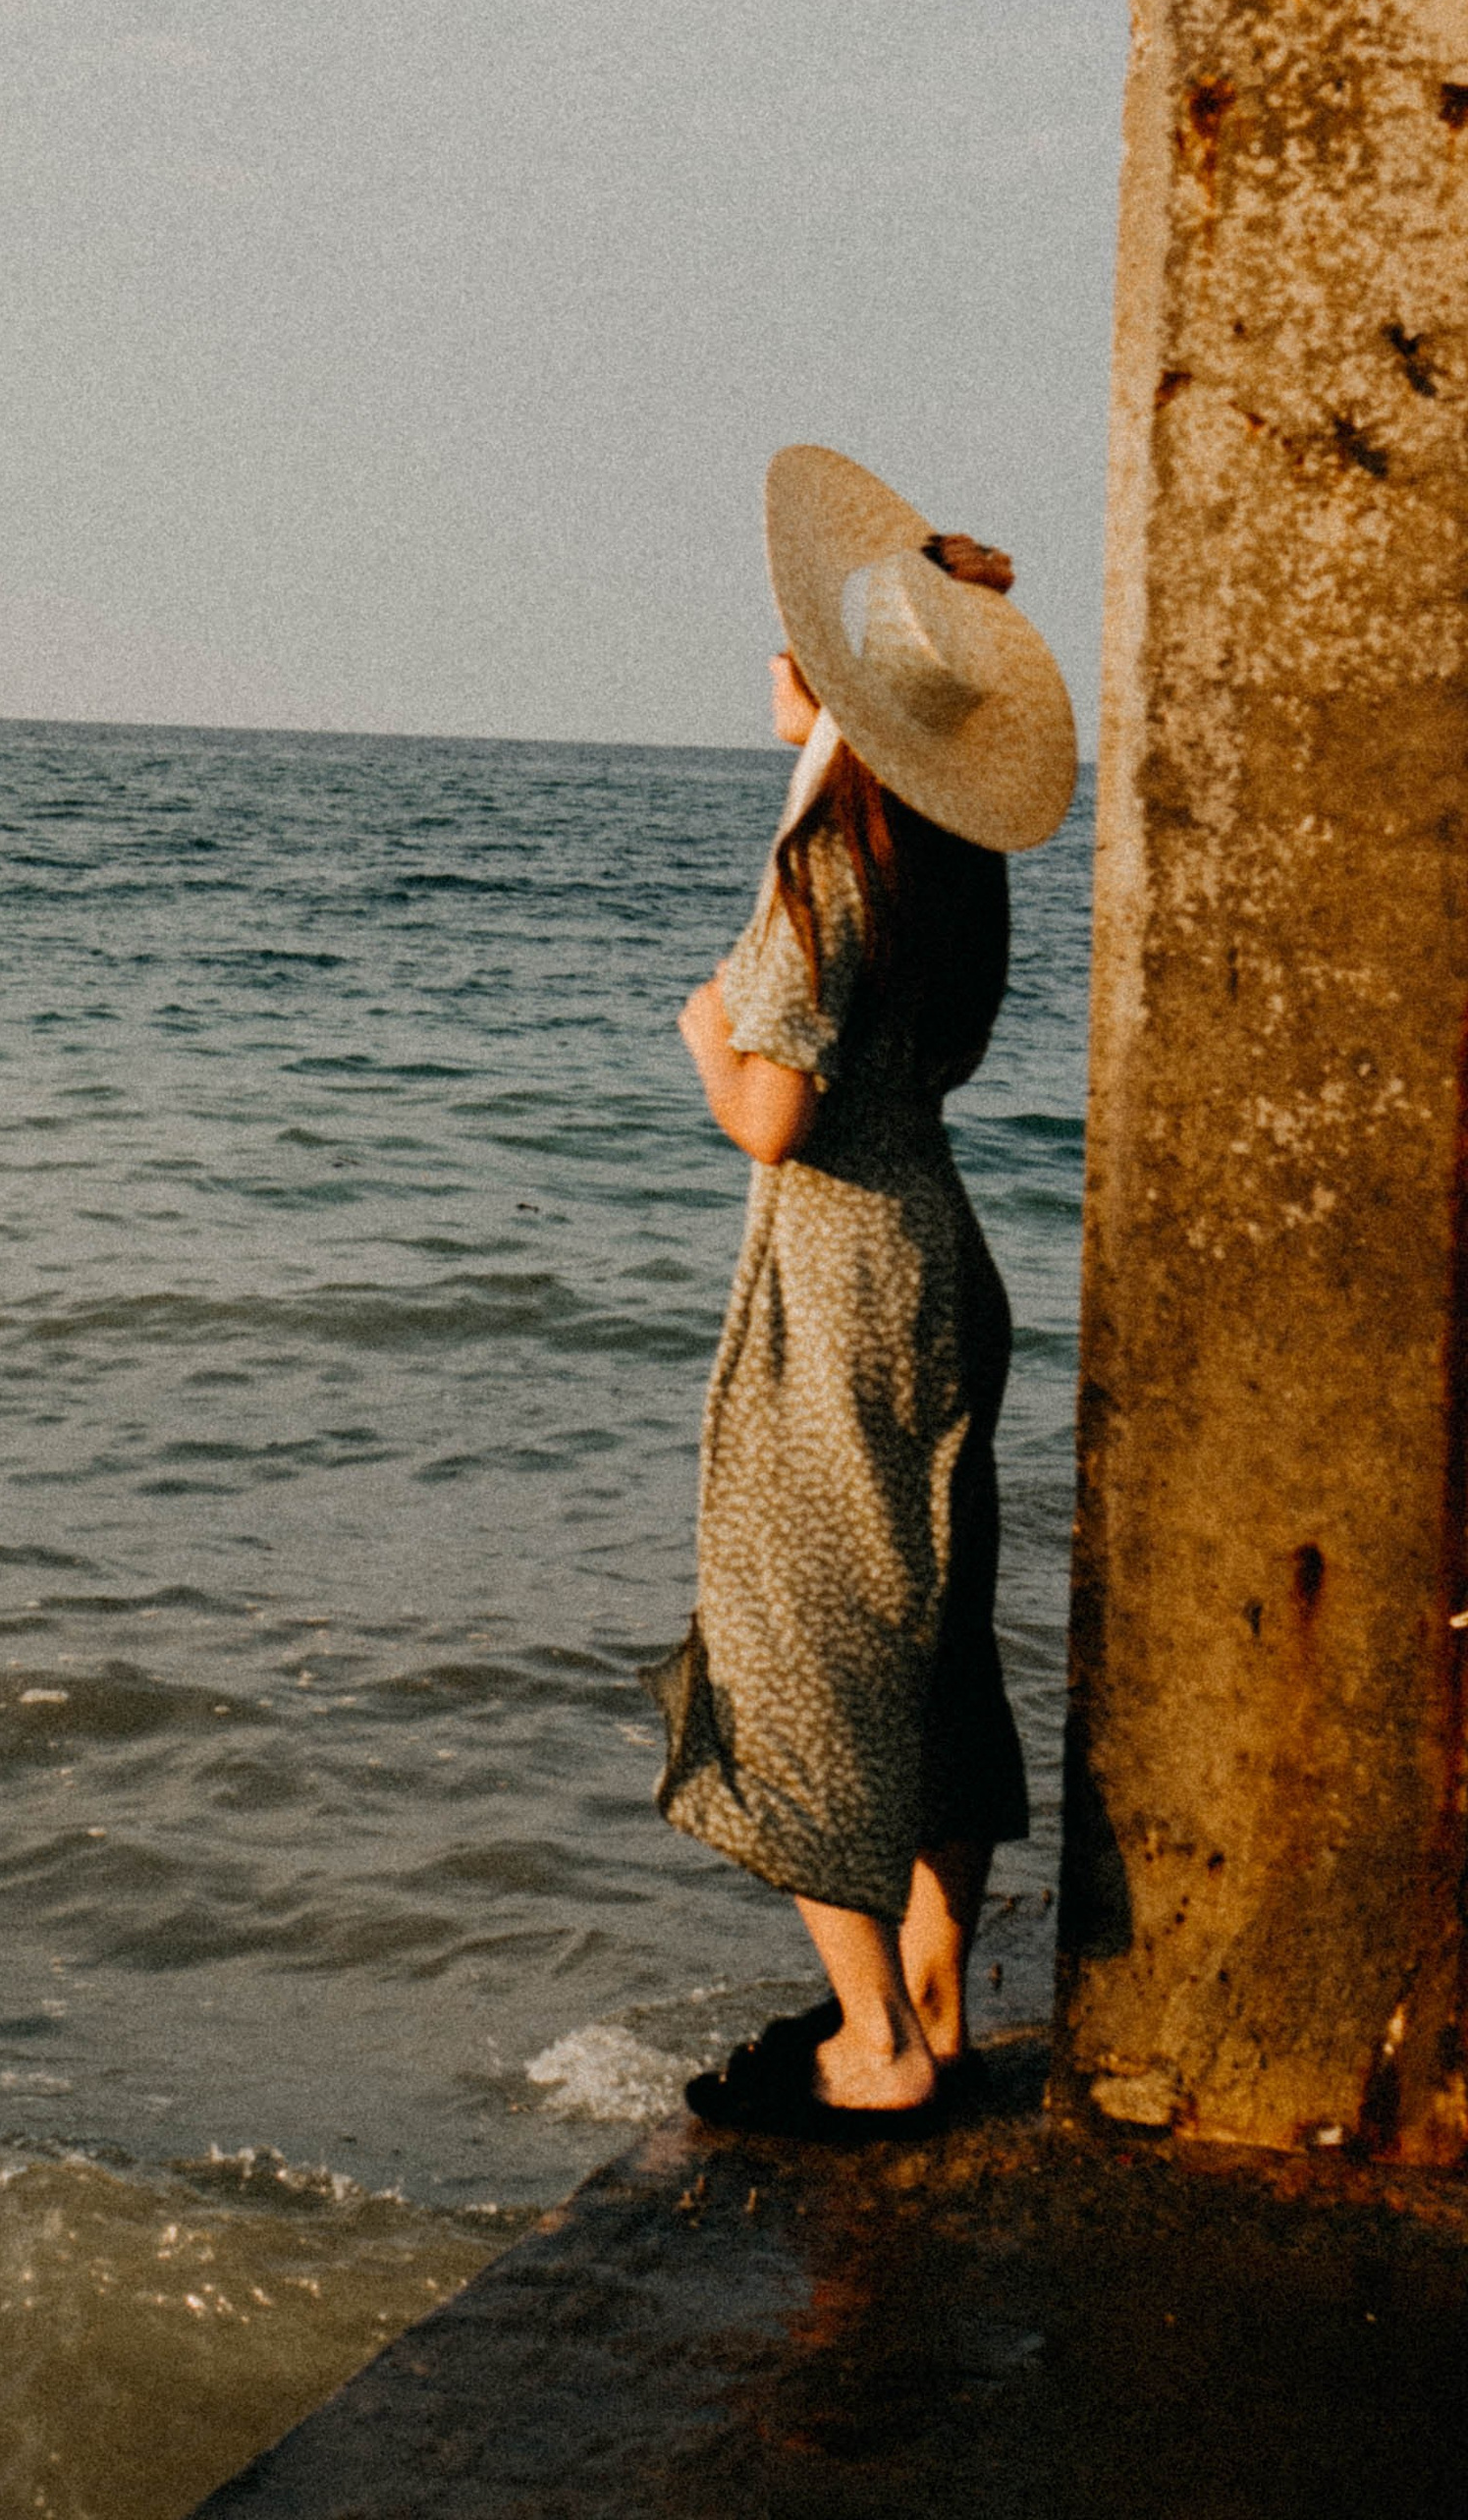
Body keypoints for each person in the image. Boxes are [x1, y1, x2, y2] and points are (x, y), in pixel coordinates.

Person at [652, 443, 1078, 2141]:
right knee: (930, 1633)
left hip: (838, 1281)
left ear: (838, 689)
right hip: (942, 1258)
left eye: (795, 640)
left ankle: (875, 2044)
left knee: (795, 1640)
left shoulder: (827, 860)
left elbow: (770, 1115)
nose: (774, 656)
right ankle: (945, 2005)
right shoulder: (954, 863)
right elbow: (940, 1063)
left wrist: (703, 1029)